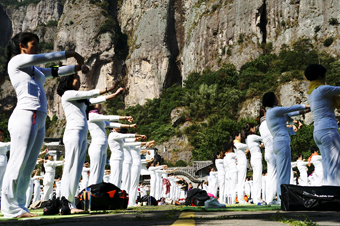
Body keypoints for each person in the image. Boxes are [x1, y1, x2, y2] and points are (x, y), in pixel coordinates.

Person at [2, 32, 88, 218]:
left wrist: (77, 67)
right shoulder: (16, 62)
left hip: (38, 118)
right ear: (22, 46)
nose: (37, 47)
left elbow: (54, 71)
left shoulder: (35, 70)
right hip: (25, 115)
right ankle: (9, 207)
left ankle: (20, 205)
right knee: (19, 161)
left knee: (29, 164)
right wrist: (71, 53)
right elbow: (46, 57)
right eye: (34, 44)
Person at [57, 73, 116, 213]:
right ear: (69, 81)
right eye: (76, 78)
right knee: (71, 167)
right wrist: (108, 88)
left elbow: (97, 99)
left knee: (77, 169)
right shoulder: (68, 94)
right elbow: (90, 93)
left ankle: (70, 202)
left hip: (82, 134)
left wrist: (115, 93)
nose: (79, 81)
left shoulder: (81, 100)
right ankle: (65, 202)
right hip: (73, 133)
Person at [262, 92, 310, 200]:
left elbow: (294, 113)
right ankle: (283, 198)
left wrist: (309, 110)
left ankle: (281, 197)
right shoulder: (274, 110)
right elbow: (291, 108)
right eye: (275, 97)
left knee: (282, 172)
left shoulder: (272, 112)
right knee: (285, 172)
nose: (277, 98)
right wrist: (310, 106)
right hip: (282, 142)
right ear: (272, 100)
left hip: (279, 143)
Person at [304, 64, 340, 185]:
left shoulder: (311, 92)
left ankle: (328, 194)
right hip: (328, 128)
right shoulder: (322, 89)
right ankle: (335, 195)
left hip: (318, 131)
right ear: (320, 75)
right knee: (335, 164)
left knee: (327, 165)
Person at [87, 95, 133, 185]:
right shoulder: (92, 115)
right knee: (95, 172)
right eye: (98, 103)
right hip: (96, 145)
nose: (100, 104)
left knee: (100, 173)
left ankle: (98, 194)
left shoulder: (99, 117)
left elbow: (113, 124)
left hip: (103, 146)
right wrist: (124, 117)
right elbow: (108, 118)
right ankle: (91, 194)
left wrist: (129, 125)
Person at [258, 108, 278, 205]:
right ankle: (271, 199)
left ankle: (269, 198)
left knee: (270, 176)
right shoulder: (268, 123)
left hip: (267, 152)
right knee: (274, 176)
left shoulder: (261, 126)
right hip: (273, 152)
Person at [242, 123, 263, 205]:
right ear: (251, 128)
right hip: (257, 158)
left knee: (256, 178)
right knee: (258, 178)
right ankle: (257, 198)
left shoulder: (248, 138)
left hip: (253, 158)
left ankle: (255, 197)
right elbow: (264, 138)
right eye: (254, 128)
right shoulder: (253, 137)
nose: (255, 129)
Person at [232, 131, 249, 204]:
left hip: (239, 164)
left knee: (240, 182)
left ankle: (240, 198)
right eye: (239, 135)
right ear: (236, 137)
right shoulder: (238, 144)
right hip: (242, 164)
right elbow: (248, 145)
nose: (240, 137)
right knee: (241, 182)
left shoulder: (235, 145)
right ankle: (241, 199)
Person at [223, 140, 237, 204]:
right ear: (230, 148)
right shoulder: (231, 154)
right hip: (233, 172)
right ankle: (233, 201)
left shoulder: (225, 158)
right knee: (233, 187)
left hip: (227, 173)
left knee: (228, 188)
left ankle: (227, 201)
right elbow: (238, 154)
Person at [0, 129, 10, 198]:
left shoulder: (3, 144)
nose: (2, 136)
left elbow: (9, 147)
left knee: (2, 183)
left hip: (4, 164)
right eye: (1, 135)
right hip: (0, 164)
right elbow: (7, 144)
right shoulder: (1, 144)